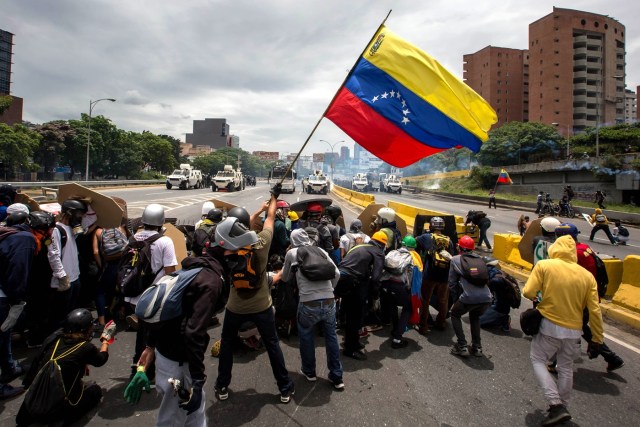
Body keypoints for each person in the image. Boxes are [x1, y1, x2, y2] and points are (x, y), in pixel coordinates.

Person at [128, 241, 226, 426]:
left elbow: (168, 310)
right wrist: (198, 379)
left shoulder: (190, 271)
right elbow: (193, 333)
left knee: (194, 415)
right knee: (172, 419)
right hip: (179, 363)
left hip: (167, 354)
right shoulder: (210, 281)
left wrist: (149, 346)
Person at [214, 184, 296, 404]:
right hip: (261, 306)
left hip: (234, 307)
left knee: (227, 344)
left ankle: (222, 386)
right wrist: (273, 198)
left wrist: (255, 212)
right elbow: (269, 219)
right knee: (272, 345)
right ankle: (285, 388)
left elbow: (239, 229)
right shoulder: (261, 244)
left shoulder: (225, 250)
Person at [523, 235, 604, 426]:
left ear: (555, 249)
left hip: (550, 325)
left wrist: (544, 295)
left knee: (538, 359)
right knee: (566, 367)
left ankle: (555, 403)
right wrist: (597, 338)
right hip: (574, 331)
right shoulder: (587, 276)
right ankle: (562, 406)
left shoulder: (545, 265)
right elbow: (595, 310)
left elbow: (528, 292)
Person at [16, 309, 114, 426]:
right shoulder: (85, 347)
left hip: (33, 399)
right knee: (95, 391)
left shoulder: (53, 339)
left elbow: (37, 363)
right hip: (58, 404)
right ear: (87, 329)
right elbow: (101, 359)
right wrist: (105, 340)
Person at [275, 228, 344, 390]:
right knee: (331, 337)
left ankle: (309, 372)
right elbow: (337, 274)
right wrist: (330, 291)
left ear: (293, 241)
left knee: (306, 336)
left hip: (308, 302)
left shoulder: (292, 253)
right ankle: (337, 377)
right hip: (328, 301)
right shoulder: (320, 250)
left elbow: (284, 277)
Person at [553, 223, 624, 373]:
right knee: (581, 328)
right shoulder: (584, 247)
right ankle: (611, 357)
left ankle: (557, 363)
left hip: (581, 298)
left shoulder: (573, 254)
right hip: (589, 294)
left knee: (567, 328)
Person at [125, 204, 178, 382]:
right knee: (154, 337)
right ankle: (149, 371)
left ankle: (137, 366)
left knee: (142, 335)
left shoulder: (133, 238)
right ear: (161, 221)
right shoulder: (165, 241)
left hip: (134, 296)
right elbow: (171, 271)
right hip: (155, 298)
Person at [335, 231, 386, 361]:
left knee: (349, 314)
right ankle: (350, 349)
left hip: (341, 279)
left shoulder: (359, 246)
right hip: (354, 282)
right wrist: (375, 296)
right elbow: (376, 278)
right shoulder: (378, 252)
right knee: (355, 316)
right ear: (383, 245)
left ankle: (353, 342)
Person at [0, 219, 36, 399]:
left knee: (4, 335)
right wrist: (16, 299)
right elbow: (18, 271)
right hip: (3, 296)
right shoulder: (24, 240)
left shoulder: (7, 233)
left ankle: (9, 367)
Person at [448, 236, 492, 357]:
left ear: (459, 247)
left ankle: (462, 346)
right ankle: (477, 347)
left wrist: (456, 299)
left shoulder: (456, 259)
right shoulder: (481, 259)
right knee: (475, 317)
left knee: (455, 314)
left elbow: (451, 283)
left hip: (468, 297)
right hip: (486, 297)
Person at [47, 199, 88, 331]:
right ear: (70, 213)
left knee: (70, 314)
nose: (81, 217)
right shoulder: (56, 230)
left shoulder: (71, 229)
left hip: (74, 278)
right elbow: (53, 255)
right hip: (63, 281)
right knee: (59, 316)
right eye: (79, 214)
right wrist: (62, 276)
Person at [380, 235, 423, 348]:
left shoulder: (392, 253)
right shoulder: (412, 257)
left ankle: (395, 329)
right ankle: (397, 338)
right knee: (407, 308)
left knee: (392, 306)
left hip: (385, 285)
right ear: (412, 248)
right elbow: (413, 277)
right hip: (400, 287)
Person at [416, 217, 454, 334]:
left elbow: (415, 241)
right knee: (443, 300)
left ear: (431, 226)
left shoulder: (426, 237)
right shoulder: (449, 240)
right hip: (444, 276)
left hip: (429, 274)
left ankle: (423, 325)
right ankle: (441, 323)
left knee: (425, 300)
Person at [479, 257, 513, 332]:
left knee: (478, 321)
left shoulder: (495, 281)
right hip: (502, 306)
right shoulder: (499, 273)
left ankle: (503, 320)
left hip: (498, 308)